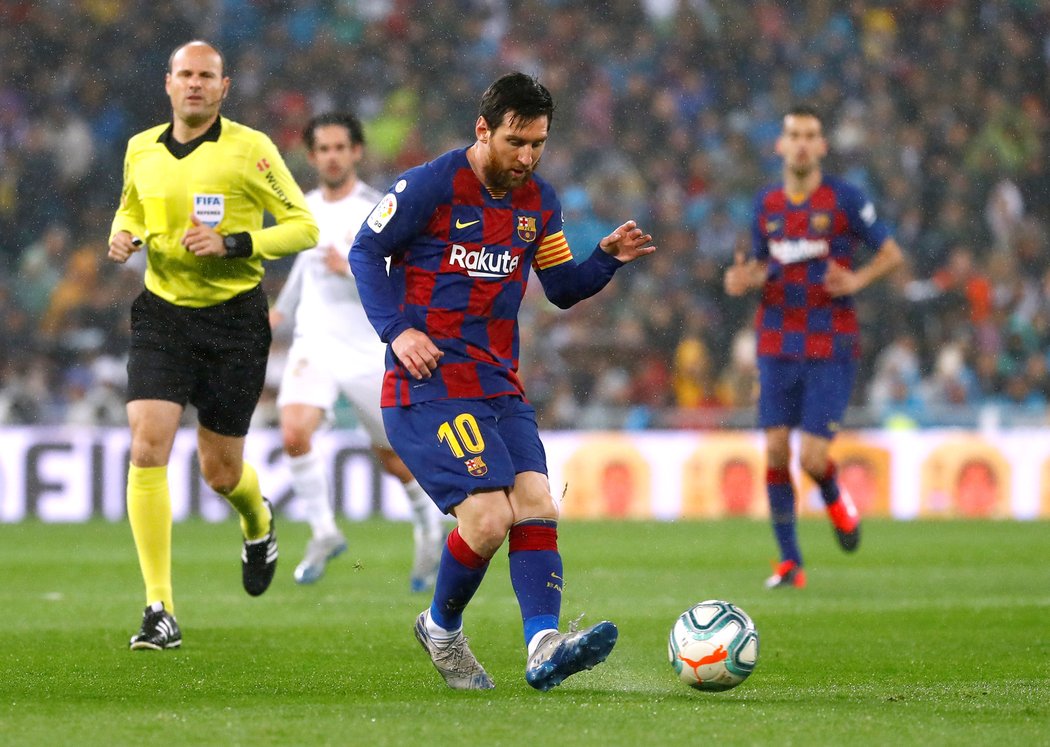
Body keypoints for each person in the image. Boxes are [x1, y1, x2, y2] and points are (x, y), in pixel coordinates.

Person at [349, 72, 656, 691]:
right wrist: (396, 332)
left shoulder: (539, 203)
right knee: (488, 519)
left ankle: (543, 644)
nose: (526, 157)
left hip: (497, 384)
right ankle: (442, 630)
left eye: (538, 143)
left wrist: (606, 258)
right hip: (428, 384)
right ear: (482, 129)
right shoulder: (429, 186)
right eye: (516, 141)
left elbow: (563, 287)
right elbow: (365, 251)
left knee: (538, 503)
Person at [107, 40, 318, 650]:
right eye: (185, 75)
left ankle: (257, 519)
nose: (195, 85)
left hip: (235, 324)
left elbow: (303, 227)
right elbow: (131, 210)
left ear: (224, 87)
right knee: (147, 444)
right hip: (163, 315)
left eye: (207, 76)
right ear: (167, 83)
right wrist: (123, 236)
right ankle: (158, 609)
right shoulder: (140, 148)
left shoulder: (251, 150)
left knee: (220, 472)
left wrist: (233, 244)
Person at [724, 104, 904, 589]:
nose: (802, 143)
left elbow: (891, 253)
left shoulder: (844, 200)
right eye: (794, 135)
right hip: (777, 338)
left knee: (812, 458)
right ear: (780, 145)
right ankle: (790, 563)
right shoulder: (766, 205)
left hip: (830, 342)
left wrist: (859, 278)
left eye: (810, 135)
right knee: (778, 451)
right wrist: (743, 279)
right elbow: (760, 266)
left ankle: (836, 498)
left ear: (822, 145)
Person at [269, 112, 445, 589]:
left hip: (369, 347)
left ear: (356, 152)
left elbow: (400, 278)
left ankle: (429, 524)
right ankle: (324, 532)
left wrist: (349, 267)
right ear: (311, 157)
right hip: (315, 341)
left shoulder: (378, 208)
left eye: (339, 148)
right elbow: (304, 274)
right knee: (294, 432)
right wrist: (277, 317)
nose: (331, 156)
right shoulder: (301, 209)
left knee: (393, 458)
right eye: (322, 149)